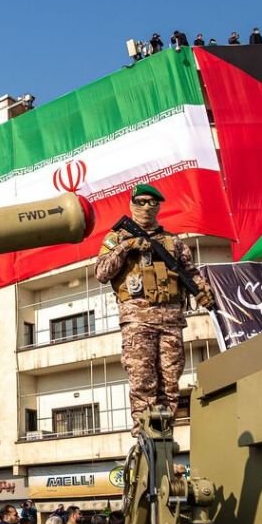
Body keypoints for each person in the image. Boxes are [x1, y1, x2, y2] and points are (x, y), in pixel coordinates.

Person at [95, 184, 214, 435]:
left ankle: (164, 434)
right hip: (137, 319)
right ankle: (144, 436)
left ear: (159, 206)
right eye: (141, 202)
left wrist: (203, 292)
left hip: (171, 320)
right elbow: (102, 273)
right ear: (132, 205)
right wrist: (128, 247)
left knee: (170, 382)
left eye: (152, 202)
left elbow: (190, 273)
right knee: (142, 380)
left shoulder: (173, 243)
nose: (146, 207)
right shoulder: (117, 238)